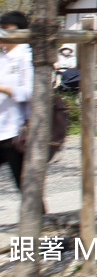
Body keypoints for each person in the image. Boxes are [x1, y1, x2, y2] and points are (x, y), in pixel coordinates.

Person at [0, 11, 32, 193]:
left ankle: (40, 221)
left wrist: (3, 88)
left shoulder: (26, 57)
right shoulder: (2, 56)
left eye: (6, 29)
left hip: (15, 132)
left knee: (26, 187)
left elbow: (31, 93)